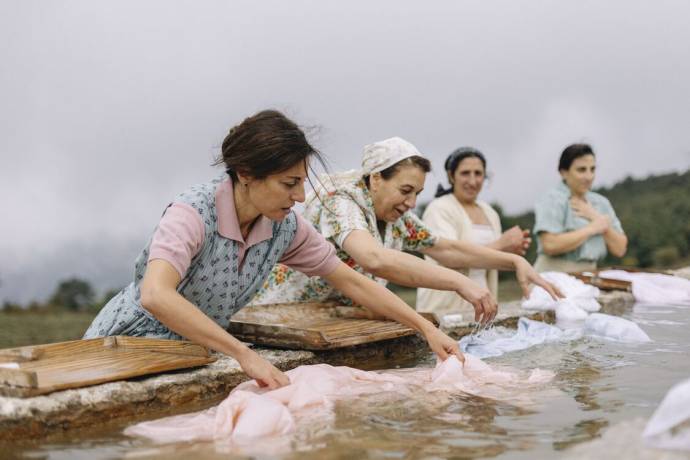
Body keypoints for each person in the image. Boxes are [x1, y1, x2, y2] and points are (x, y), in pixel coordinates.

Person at [84, 111, 463, 389]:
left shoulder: (283, 227)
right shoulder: (192, 214)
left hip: (191, 353)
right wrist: (244, 354)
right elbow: (155, 294)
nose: (300, 197)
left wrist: (423, 329)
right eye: (289, 183)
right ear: (246, 174)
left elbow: (352, 281)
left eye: (302, 183)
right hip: (125, 347)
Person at [252, 137, 559, 321]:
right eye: (405, 190)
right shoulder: (340, 199)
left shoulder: (397, 218)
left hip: (335, 320)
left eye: (417, 194)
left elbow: (446, 248)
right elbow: (373, 257)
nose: (411, 203)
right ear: (375, 179)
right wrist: (458, 282)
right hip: (283, 314)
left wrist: (515, 261)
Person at [417, 147, 532, 319]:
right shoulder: (439, 209)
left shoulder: (490, 213)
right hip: (445, 310)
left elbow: (488, 258)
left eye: (478, 173)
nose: (473, 180)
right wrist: (501, 245)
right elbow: (450, 257)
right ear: (451, 176)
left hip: (482, 307)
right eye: (465, 173)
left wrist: (509, 252)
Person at [533, 143, 627, 273]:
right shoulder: (552, 199)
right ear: (564, 172)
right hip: (552, 275)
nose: (589, 177)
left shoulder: (601, 203)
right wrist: (593, 228)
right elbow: (550, 244)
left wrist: (596, 217)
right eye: (581, 170)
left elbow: (620, 249)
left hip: (590, 275)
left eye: (592, 169)